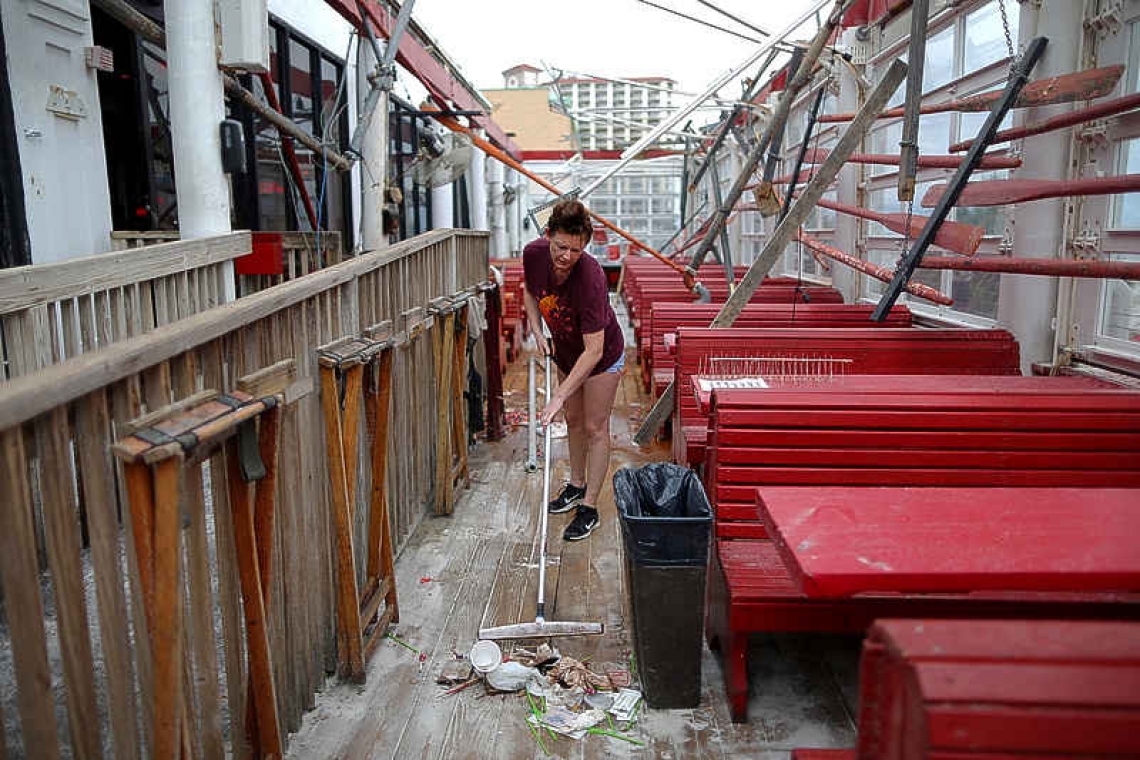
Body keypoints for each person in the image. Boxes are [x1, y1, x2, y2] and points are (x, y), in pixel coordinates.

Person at [523, 198, 625, 541]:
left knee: (595, 426)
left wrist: (557, 396)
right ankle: (576, 485)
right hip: (566, 353)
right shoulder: (534, 254)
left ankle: (590, 506)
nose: (566, 257)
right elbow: (529, 289)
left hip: (601, 356)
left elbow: (594, 350)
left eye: (576, 251)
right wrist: (537, 331)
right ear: (549, 234)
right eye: (561, 247)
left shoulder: (591, 278)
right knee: (573, 420)